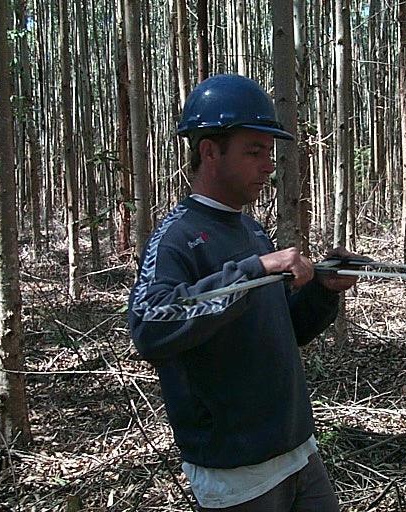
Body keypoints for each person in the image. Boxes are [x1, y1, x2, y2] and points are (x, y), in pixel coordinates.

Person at [128, 74, 359, 511]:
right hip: (236, 472)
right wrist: (252, 271)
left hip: (297, 449)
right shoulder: (177, 237)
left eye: (270, 152)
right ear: (209, 150)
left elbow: (283, 328)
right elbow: (149, 326)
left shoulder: (251, 229)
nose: (269, 165)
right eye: (255, 151)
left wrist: (324, 292)